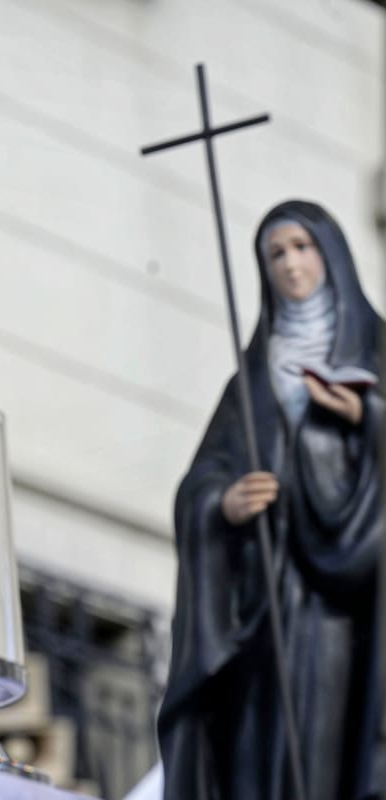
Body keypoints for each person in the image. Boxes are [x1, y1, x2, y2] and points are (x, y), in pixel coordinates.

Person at [158, 199, 383, 800]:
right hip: (265, 591)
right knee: (258, 742)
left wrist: (367, 416)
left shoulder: (376, 352)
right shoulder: (253, 376)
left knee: (329, 739)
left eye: (302, 248)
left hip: (342, 595)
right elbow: (202, 479)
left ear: (331, 254)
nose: (290, 264)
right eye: (275, 253)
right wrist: (222, 504)